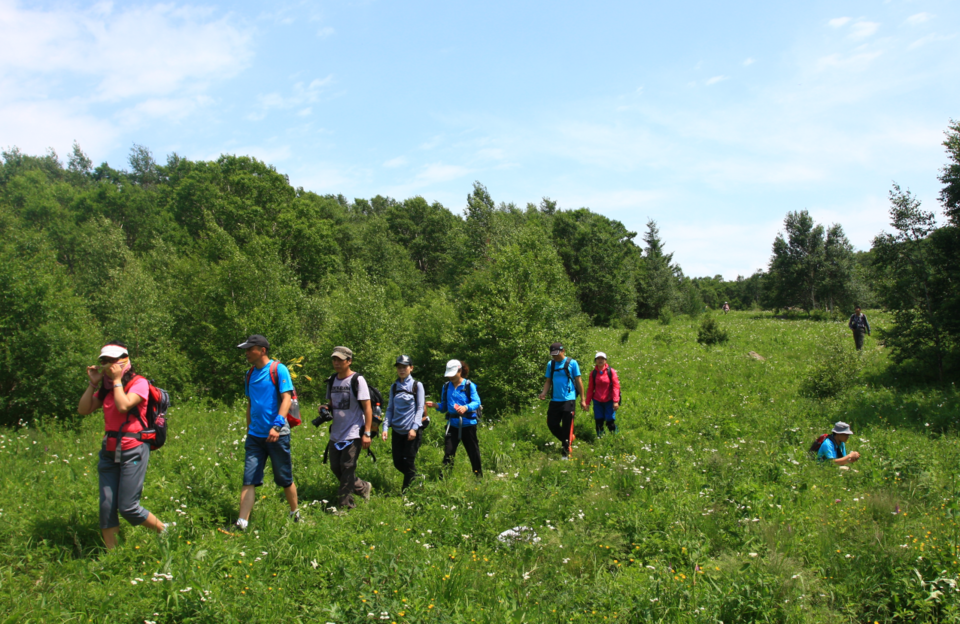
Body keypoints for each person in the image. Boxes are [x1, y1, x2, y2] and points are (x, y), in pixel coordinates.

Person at [78, 341, 167, 549]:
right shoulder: (107, 388)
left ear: (125, 361)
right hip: (109, 451)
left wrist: (117, 380)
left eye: (113, 360)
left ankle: (165, 530)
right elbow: (83, 409)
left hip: (133, 448)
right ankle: (113, 555)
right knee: (106, 506)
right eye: (104, 361)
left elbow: (123, 405)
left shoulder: (139, 383)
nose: (109, 365)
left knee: (128, 507)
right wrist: (93, 383)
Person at [235, 335, 299, 530]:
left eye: (250, 349)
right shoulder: (249, 374)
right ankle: (242, 523)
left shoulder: (278, 369)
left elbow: (287, 398)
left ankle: (295, 513)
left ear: (262, 350)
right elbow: (250, 404)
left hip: (277, 435)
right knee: (249, 479)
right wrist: (249, 429)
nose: (246, 353)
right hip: (255, 437)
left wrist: (277, 426)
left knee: (284, 478)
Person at [321, 346, 373, 511]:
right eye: (334, 360)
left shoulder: (357, 380)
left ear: (349, 361)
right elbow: (331, 403)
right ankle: (363, 487)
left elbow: (367, 407)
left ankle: (345, 507)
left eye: (340, 360)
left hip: (353, 431)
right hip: (336, 432)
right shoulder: (332, 379)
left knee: (348, 467)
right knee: (336, 467)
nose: (336, 363)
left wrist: (367, 433)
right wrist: (325, 408)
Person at [426, 360, 482, 478]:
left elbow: (477, 402)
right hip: (452, 424)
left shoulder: (469, 385)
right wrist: (436, 405)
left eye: (453, 374)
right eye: (449, 374)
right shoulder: (446, 387)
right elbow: (444, 407)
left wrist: (466, 407)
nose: (450, 377)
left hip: (468, 424)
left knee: (473, 452)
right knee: (449, 452)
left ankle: (478, 477)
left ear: (460, 371)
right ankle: (444, 479)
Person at [382, 354, 427, 492]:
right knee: (397, 462)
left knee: (408, 462)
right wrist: (385, 427)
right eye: (399, 367)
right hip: (397, 430)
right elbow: (390, 408)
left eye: (404, 367)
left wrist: (414, 428)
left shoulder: (417, 386)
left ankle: (405, 494)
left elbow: (420, 408)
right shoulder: (394, 387)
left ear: (411, 368)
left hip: (411, 432)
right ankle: (417, 478)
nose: (401, 370)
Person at [538, 342, 584, 459]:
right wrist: (544, 393)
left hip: (569, 399)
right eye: (553, 355)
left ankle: (565, 453)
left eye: (557, 354)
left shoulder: (572, 363)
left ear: (563, 351)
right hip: (555, 399)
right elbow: (548, 381)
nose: (555, 356)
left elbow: (578, 381)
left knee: (567, 426)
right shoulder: (551, 364)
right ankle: (568, 439)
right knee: (552, 424)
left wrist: (583, 399)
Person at [581, 352, 620, 437]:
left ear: (605, 360)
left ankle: (616, 438)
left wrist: (616, 401)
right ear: (595, 360)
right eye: (598, 358)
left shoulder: (611, 371)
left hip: (609, 400)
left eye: (602, 358)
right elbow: (590, 389)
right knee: (599, 422)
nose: (600, 360)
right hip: (597, 401)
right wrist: (587, 403)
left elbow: (616, 386)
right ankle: (600, 439)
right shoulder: (593, 373)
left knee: (610, 422)